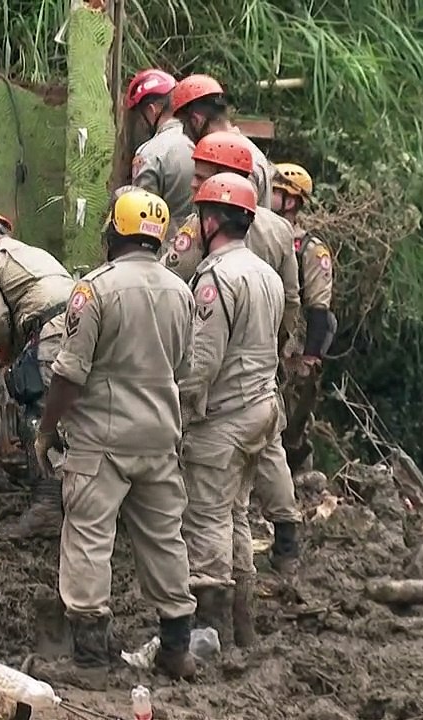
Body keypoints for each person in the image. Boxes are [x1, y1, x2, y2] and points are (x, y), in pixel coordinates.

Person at [35, 187, 198, 680]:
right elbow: (184, 369)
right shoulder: (182, 292)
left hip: (101, 442)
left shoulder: (94, 289)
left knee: (88, 538)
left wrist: (46, 429)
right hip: (160, 439)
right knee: (166, 538)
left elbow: (69, 373)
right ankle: (176, 649)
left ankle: (89, 659)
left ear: (114, 231)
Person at [178, 173, 296, 648]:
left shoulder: (215, 278)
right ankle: (242, 628)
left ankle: (211, 629)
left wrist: (177, 413)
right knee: (237, 515)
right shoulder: (266, 273)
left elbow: (200, 364)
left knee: (206, 518)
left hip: (224, 418)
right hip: (262, 411)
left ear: (209, 220)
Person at [0, 212, 76, 539]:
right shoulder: (39, 255)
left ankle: (46, 507)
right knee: (78, 416)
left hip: (50, 331)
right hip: (80, 326)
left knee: (38, 414)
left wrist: (3, 354)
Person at [157, 131, 301, 339]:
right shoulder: (280, 229)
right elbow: (290, 300)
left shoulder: (201, 226)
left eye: (200, 177)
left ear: (223, 178)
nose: (193, 184)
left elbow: (167, 281)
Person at [271, 162, 336, 474]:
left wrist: (309, 358)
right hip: (266, 335)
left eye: (275, 192)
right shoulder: (263, 235)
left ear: (291, 201)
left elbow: (319, 307)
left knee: (293, 423)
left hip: (294, 347)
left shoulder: (310, 249)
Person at [170, 74, 275, 205]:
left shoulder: (238, 160)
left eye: (184, 124)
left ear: (196, 120)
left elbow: (235, 219)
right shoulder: (247, 152)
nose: (184, 133)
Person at [125, 69, 195, 221]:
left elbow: (140, 214)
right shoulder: (197, 141)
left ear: (151, 111)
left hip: (162, 241)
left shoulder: (149, 153)